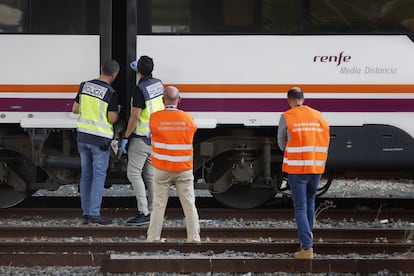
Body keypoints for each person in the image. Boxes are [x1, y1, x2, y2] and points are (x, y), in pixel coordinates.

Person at [277, 87, 330, 259]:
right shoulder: (318, 115)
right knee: (310, 202)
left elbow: (281, 143)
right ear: (303, 99)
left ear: (289, 100)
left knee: (300, 207)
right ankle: (307, 238)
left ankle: (307, 248)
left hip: (297, 169)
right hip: (316, 168)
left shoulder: (287, 116)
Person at [146, 86, 200, 243]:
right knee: (189, 205)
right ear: (179, 100)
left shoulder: (154, 118)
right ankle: (194, 238)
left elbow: (150, 135)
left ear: (163, 100)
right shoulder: (188, 118)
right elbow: (192, 132)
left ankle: (153, 238)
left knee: (158, 205)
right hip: (183, 169)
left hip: (162, 169)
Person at [72, 59, 120, 225]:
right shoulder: (110, 92)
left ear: (101, 69)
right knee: (98, 176)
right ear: (114, 75)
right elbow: (112, 118)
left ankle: (86, 214)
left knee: (86, 176)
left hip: (82, 137)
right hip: (99, 139)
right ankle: (94, 214)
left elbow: (75, 109)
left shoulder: (84, 85)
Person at [123, 55, 164, 226]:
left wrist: (126, 136)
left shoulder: (139, 89)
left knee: (133, 174)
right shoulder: (158, 84)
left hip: (141, 138)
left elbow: (135, 116)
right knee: (150, 175)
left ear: (138, 70)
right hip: (155, 136)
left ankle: (143, 211)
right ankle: (155, 210)